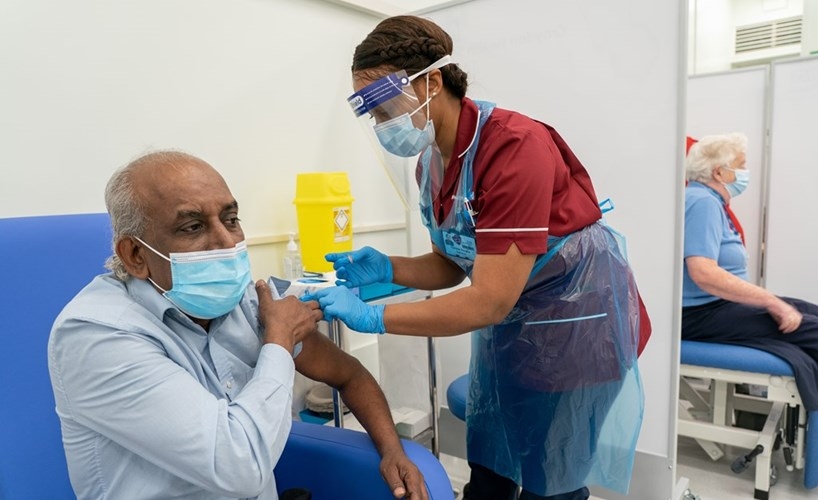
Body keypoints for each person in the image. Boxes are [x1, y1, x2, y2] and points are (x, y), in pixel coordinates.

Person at [304, 15, 651, 500]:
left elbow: (488, 299)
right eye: (374, 115)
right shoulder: (431, 162)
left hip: (575, 330)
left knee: (550, 481)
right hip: (512, 330)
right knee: (491, 469)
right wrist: (391, 266)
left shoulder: (514, 146)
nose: (383, 125)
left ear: (431, 82)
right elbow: (454, 262)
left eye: (385, 107)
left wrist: (375, 317)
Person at [47, 151, 428, 500]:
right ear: (135, 255)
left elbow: (349, 374)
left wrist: (391, 450)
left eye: (231, 220)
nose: (226, 241)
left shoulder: (244, 302)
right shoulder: (95, 335)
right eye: (193, 227)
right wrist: (279, 342)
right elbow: (239, 466)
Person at [682, 132, 818, 412]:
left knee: (809, 314)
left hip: (714, 308)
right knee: (811, 330)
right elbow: (703, 273)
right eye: (740, 165)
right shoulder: (702, 202)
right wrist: (770, 301)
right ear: (719, 172)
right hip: (700, 314)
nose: (745, 173)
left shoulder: (709, 201)